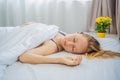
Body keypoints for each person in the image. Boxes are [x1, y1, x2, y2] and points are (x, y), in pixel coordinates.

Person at [18, 22, 120, 66]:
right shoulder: (63, 34)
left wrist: (60, 60)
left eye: (73, 49)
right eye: (74, 40)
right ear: (78, 33)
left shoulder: (53, 46)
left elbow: (23, 57)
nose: (69, 43)